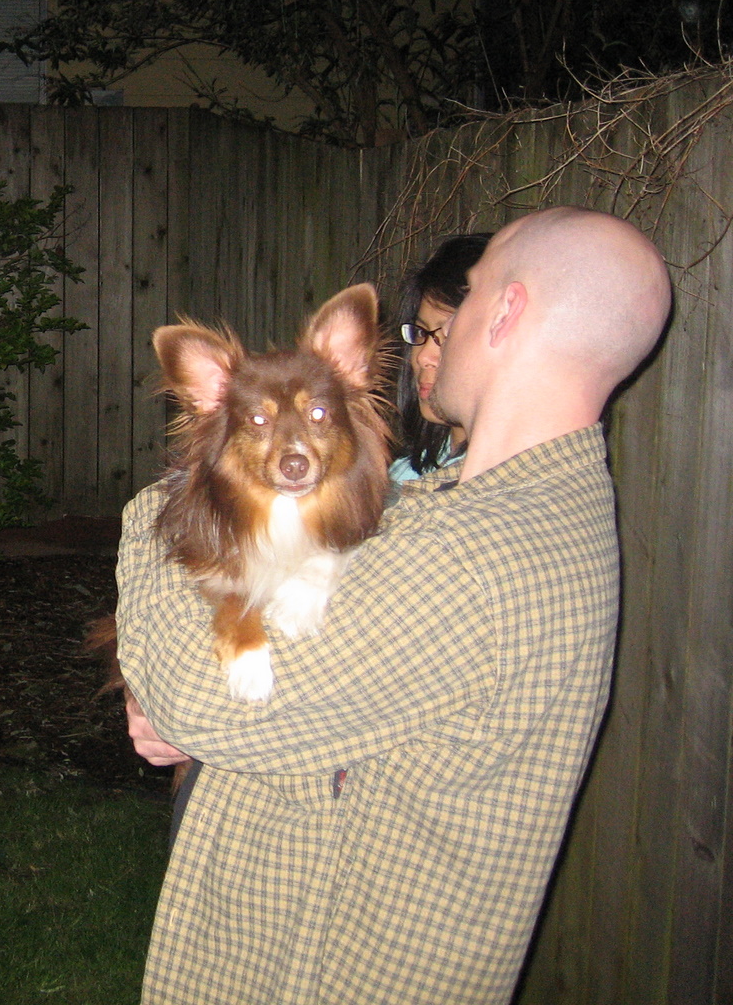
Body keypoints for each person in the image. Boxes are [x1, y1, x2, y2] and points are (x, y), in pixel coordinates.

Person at [117, 207, 671, 1004]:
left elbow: (203, 702)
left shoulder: (475, 558)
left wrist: (156, 518)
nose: (425, 338)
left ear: (505, 312)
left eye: (467, 296)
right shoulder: (478, 506)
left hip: (321, 976)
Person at [390, 232, 492, 483]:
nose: (424, 357)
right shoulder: (405, 473)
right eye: (421, 332)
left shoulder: (497, 487)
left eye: (447, 338)